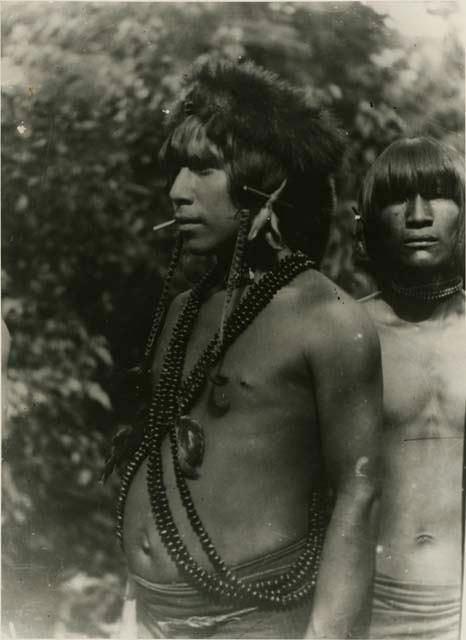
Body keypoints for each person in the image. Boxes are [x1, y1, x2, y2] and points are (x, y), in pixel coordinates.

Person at [107, 58, 383, 639]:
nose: (177, 192)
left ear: (266, 187)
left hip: (251, 623)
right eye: (178, 169)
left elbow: (358, 494)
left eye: (202, 169)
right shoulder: (185, 310)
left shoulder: (330, 321)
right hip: (152, 618)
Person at [359, 136, 465, 640]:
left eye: (438, 196)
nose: (418, 215)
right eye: (400, 198)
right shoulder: (349, 331)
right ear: (371, 219)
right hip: (368, 606)